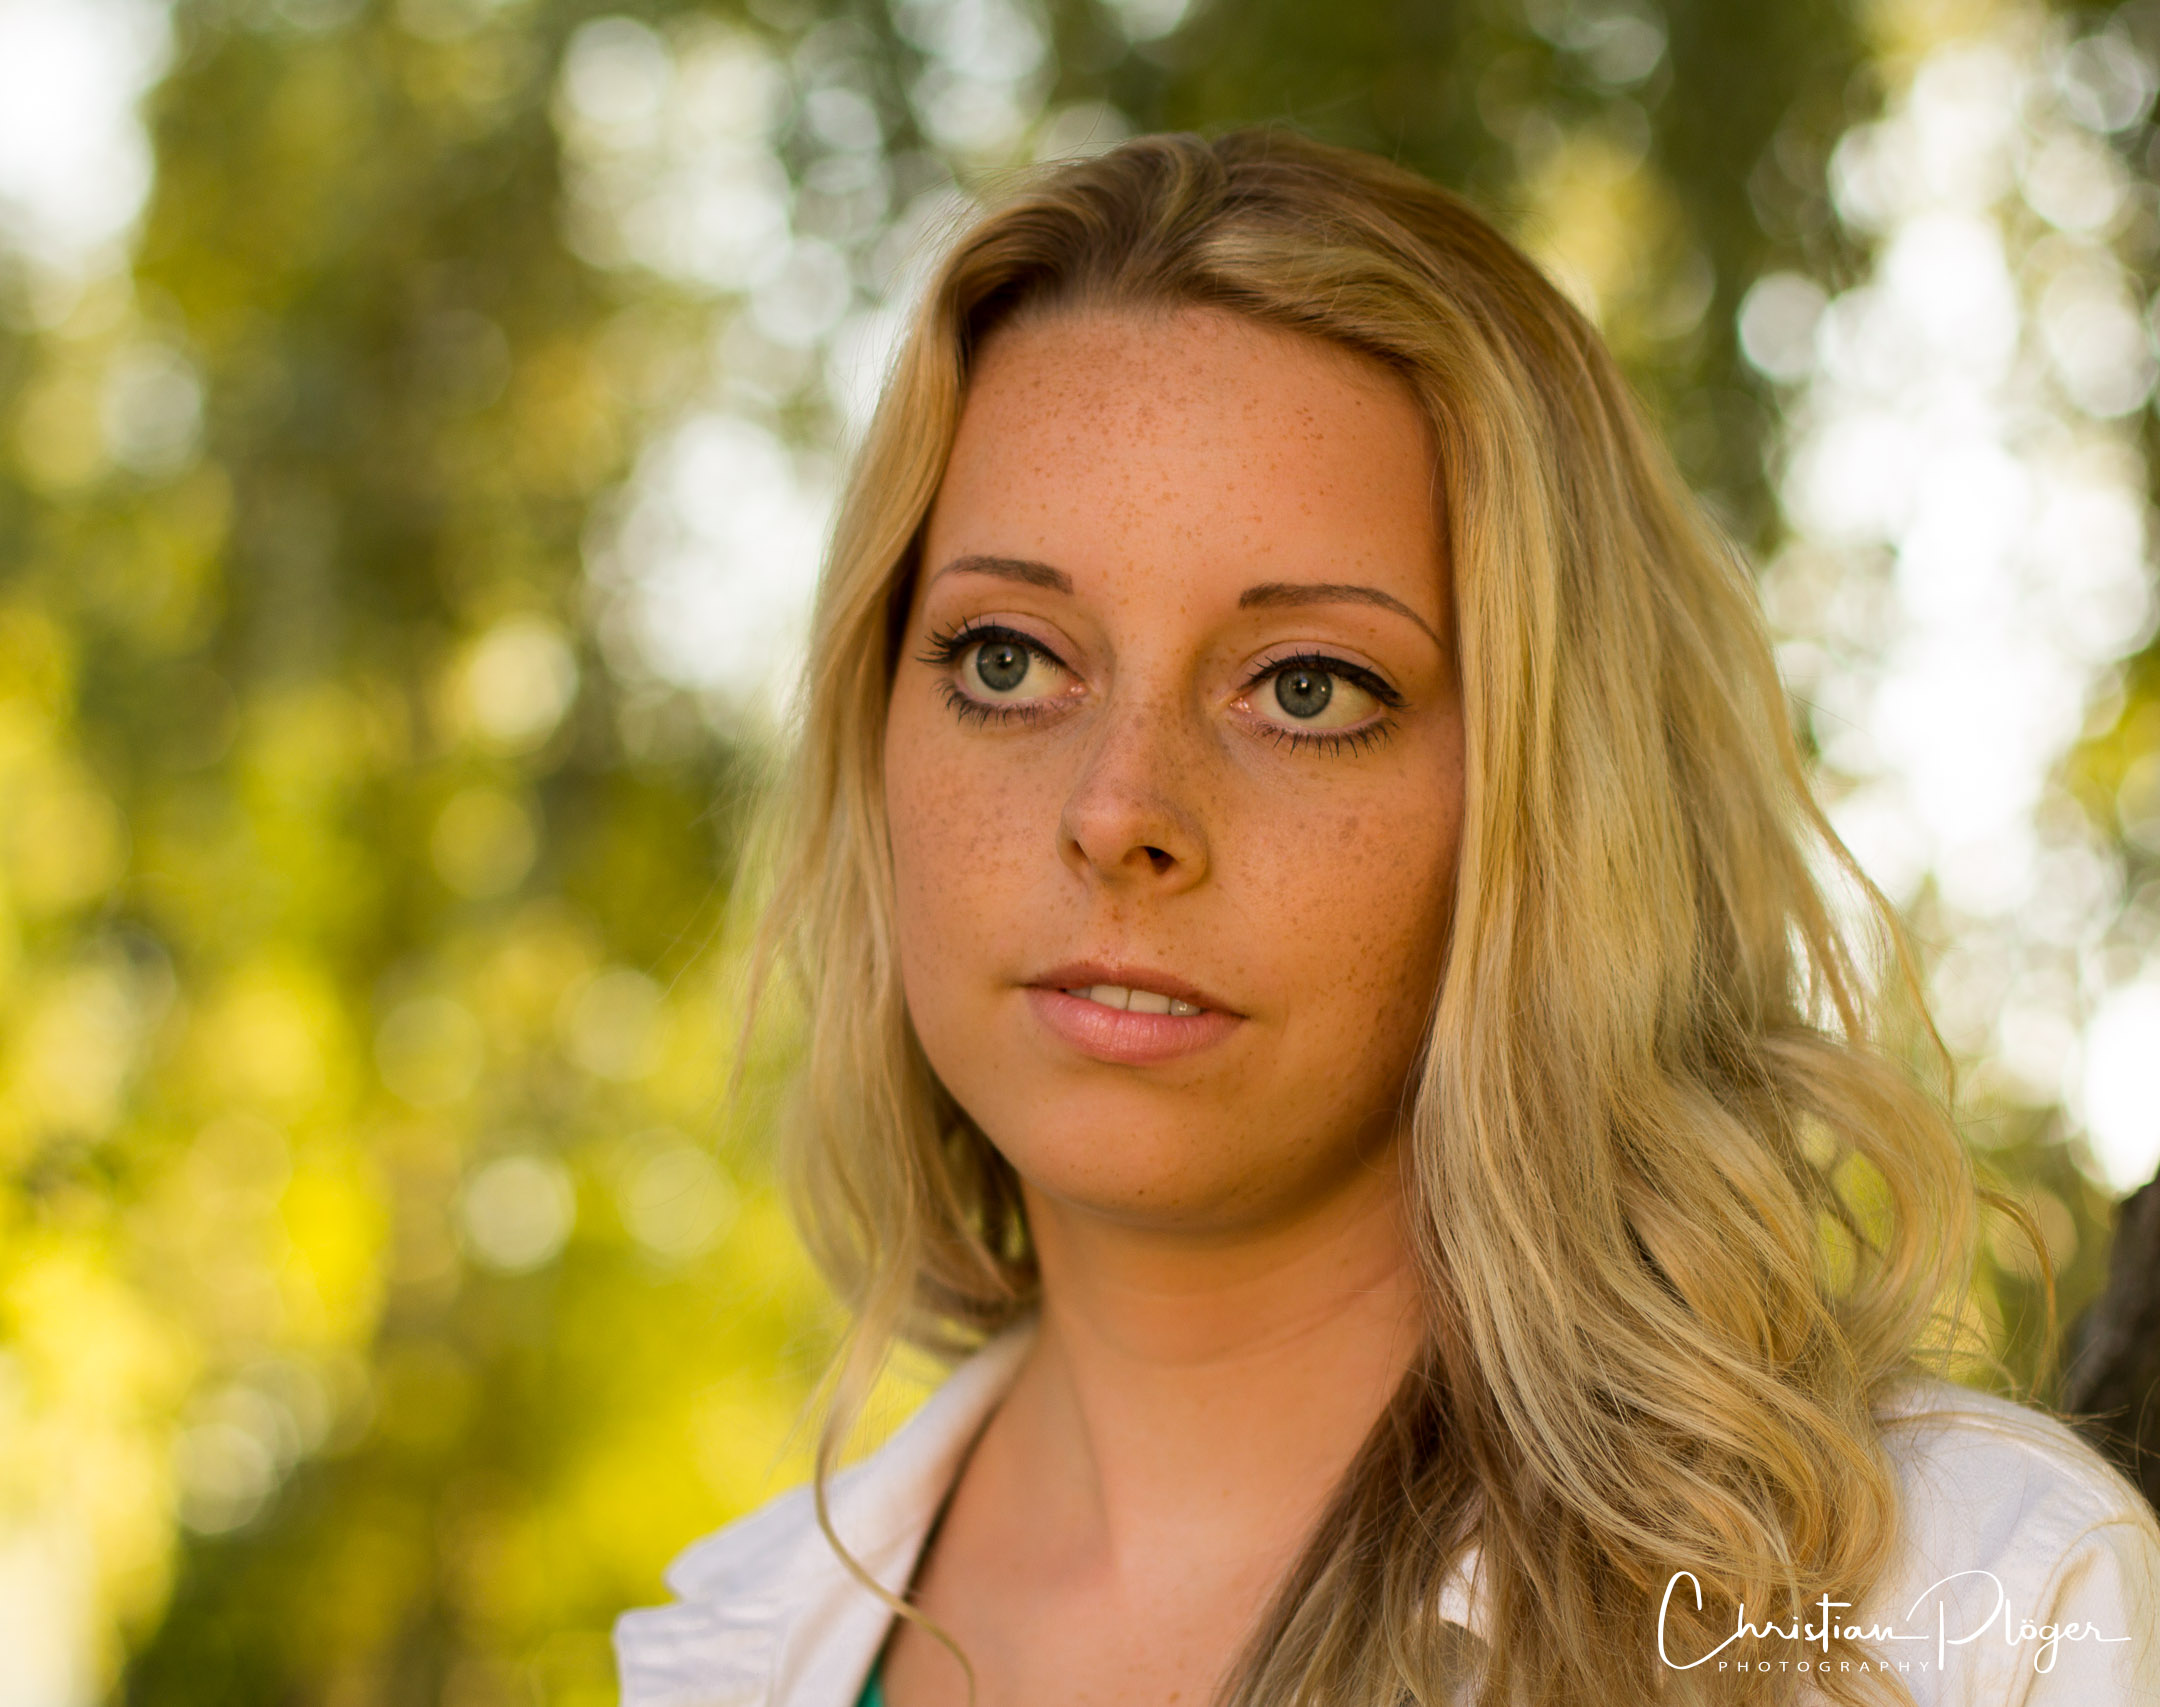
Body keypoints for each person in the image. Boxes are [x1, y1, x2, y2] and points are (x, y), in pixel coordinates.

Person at [612, 128, 2160, 1707]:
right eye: (1008, 659)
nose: (1119, 810)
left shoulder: (1969, 1608)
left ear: (1549, 810)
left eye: (1307, 688)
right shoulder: (724, 1658)